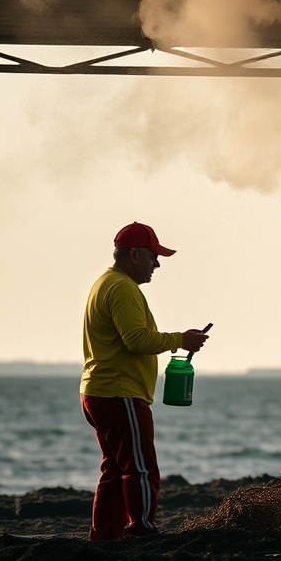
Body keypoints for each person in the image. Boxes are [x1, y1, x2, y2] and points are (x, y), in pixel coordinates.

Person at [80, 222, 209, 541]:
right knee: (140, 465)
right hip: (119, 393)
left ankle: (105, 536)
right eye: (153, 256)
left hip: (98, 391)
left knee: (114, 468)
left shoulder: (104, 283)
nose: (158, 263)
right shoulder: (122, 287)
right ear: (134, 254)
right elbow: (136, 339)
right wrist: (181, 339)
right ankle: (142, 527)